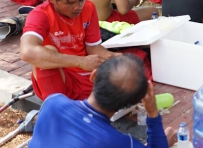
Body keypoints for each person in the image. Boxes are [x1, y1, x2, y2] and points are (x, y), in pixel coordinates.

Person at [29, 55, 177, 148]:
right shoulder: (120, 143)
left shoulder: (53, 102)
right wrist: (152, 113)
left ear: (93, 76)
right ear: (133, 102)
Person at [20, 0, 120, 101]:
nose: (78, 6)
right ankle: (56, 108)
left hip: (84, 74)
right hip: (57, 77)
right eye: (70, 3)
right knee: (47, 52)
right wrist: (80, 61)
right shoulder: (40, 15)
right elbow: (27, 52)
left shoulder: (88, 8)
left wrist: (112, 57)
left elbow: (93, 47)